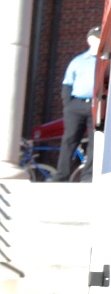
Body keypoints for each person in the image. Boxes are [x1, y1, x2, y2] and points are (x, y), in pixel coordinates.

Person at [59, 25, 99, 179]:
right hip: (77, 105)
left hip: (98, 105)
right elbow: (67, 83)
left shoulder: (107, 60)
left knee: (96, 142)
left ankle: (88, 177)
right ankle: (61, 176)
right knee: (69, 140)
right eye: (98, 38)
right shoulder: (78, 61)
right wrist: (68, 105)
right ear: (90, 40)